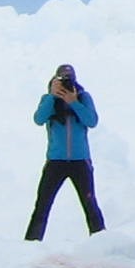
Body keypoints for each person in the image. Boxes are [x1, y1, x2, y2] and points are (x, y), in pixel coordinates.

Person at [27, 64, 105, 239]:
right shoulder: (49, 99)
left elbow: (91, 121)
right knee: (42, 205)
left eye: (69, 79)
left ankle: (103, 242)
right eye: (62, 79)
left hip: (80, 161)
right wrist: (51, 96)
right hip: (56, 161)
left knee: (90, 204)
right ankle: (30, 246)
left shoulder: (83, 98)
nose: (66, 84)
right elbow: (39, 119)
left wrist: (74, 102)